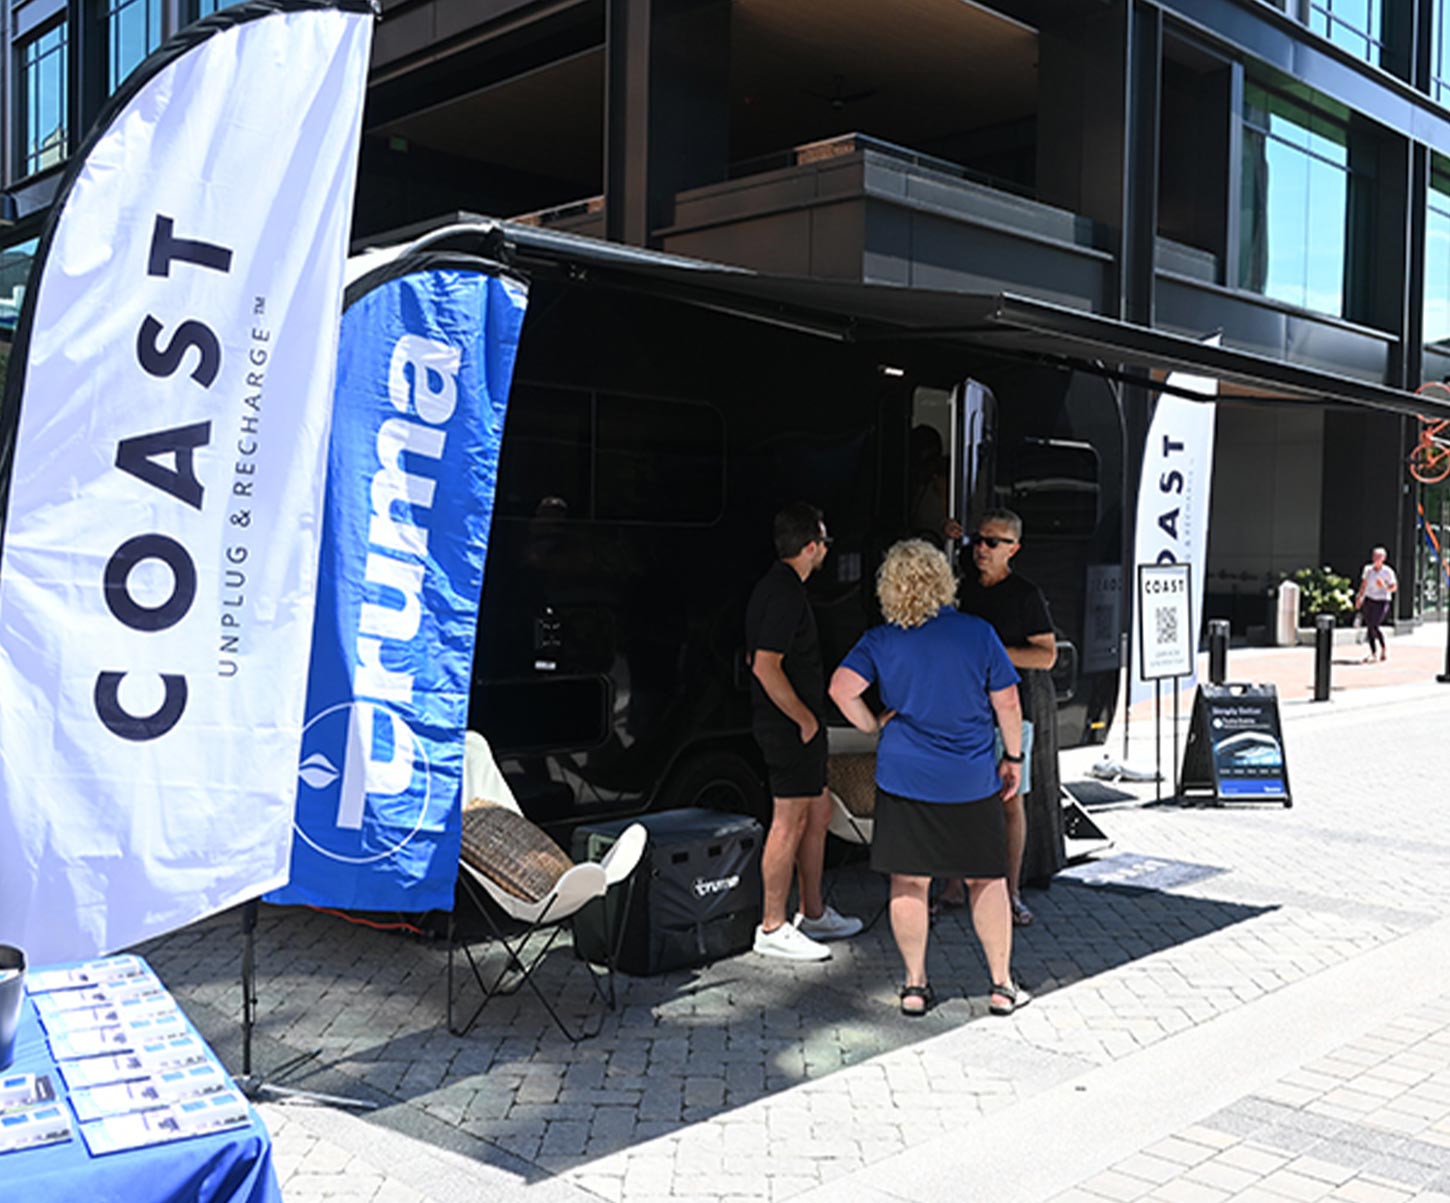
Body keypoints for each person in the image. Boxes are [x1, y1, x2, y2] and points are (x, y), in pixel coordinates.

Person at [828, 539, 1029, 1017]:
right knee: (987, 881)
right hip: (970, 780)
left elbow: (840, 688)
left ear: (890, 588)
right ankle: (1001, 986)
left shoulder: (881, 640)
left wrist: (873, 724)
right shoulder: (978, 633)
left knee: (909, 883)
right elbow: (1007, 702)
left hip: (904, 779)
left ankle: (915, 986)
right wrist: (1013, 758)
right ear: (943, 580)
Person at [746, 502, 864, 960]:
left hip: (799, 730)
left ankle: (812, 912)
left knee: (818, 814)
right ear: (811, 546)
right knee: (788, 822)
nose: (827, 552)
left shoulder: (780, 588)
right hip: (789, 730)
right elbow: (764, 665)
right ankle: (772, 926)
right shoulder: (783, 593)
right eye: (824, 543)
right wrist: (804, 718)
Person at [936, 508, 1056, 926]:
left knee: (1009, 803)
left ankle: (1011, 892)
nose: (981, 549)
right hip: (961, 709)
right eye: (978, 540)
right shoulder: (961, 586)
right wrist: (951, 537)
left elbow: (1046, 655)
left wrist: (992, 652)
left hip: (1009, 711)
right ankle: (953, 887)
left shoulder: (1025, 595)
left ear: (1013, 549)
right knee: (956, 801)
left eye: (992, 542)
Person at [1354, 546, 1398, 663]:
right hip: (1369, 599)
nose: (1376, 559)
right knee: (1369, 626)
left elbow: (1394, 588)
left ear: (1383, 558)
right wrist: (1359, 597)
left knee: (1375, 625)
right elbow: (1364, 584)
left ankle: (1383, 648)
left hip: (1382, 600)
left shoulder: (1388, 572)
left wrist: (1384, 586)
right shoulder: (1368, 569)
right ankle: (1373, 653)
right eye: (1374, 556)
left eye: (1379, 556)